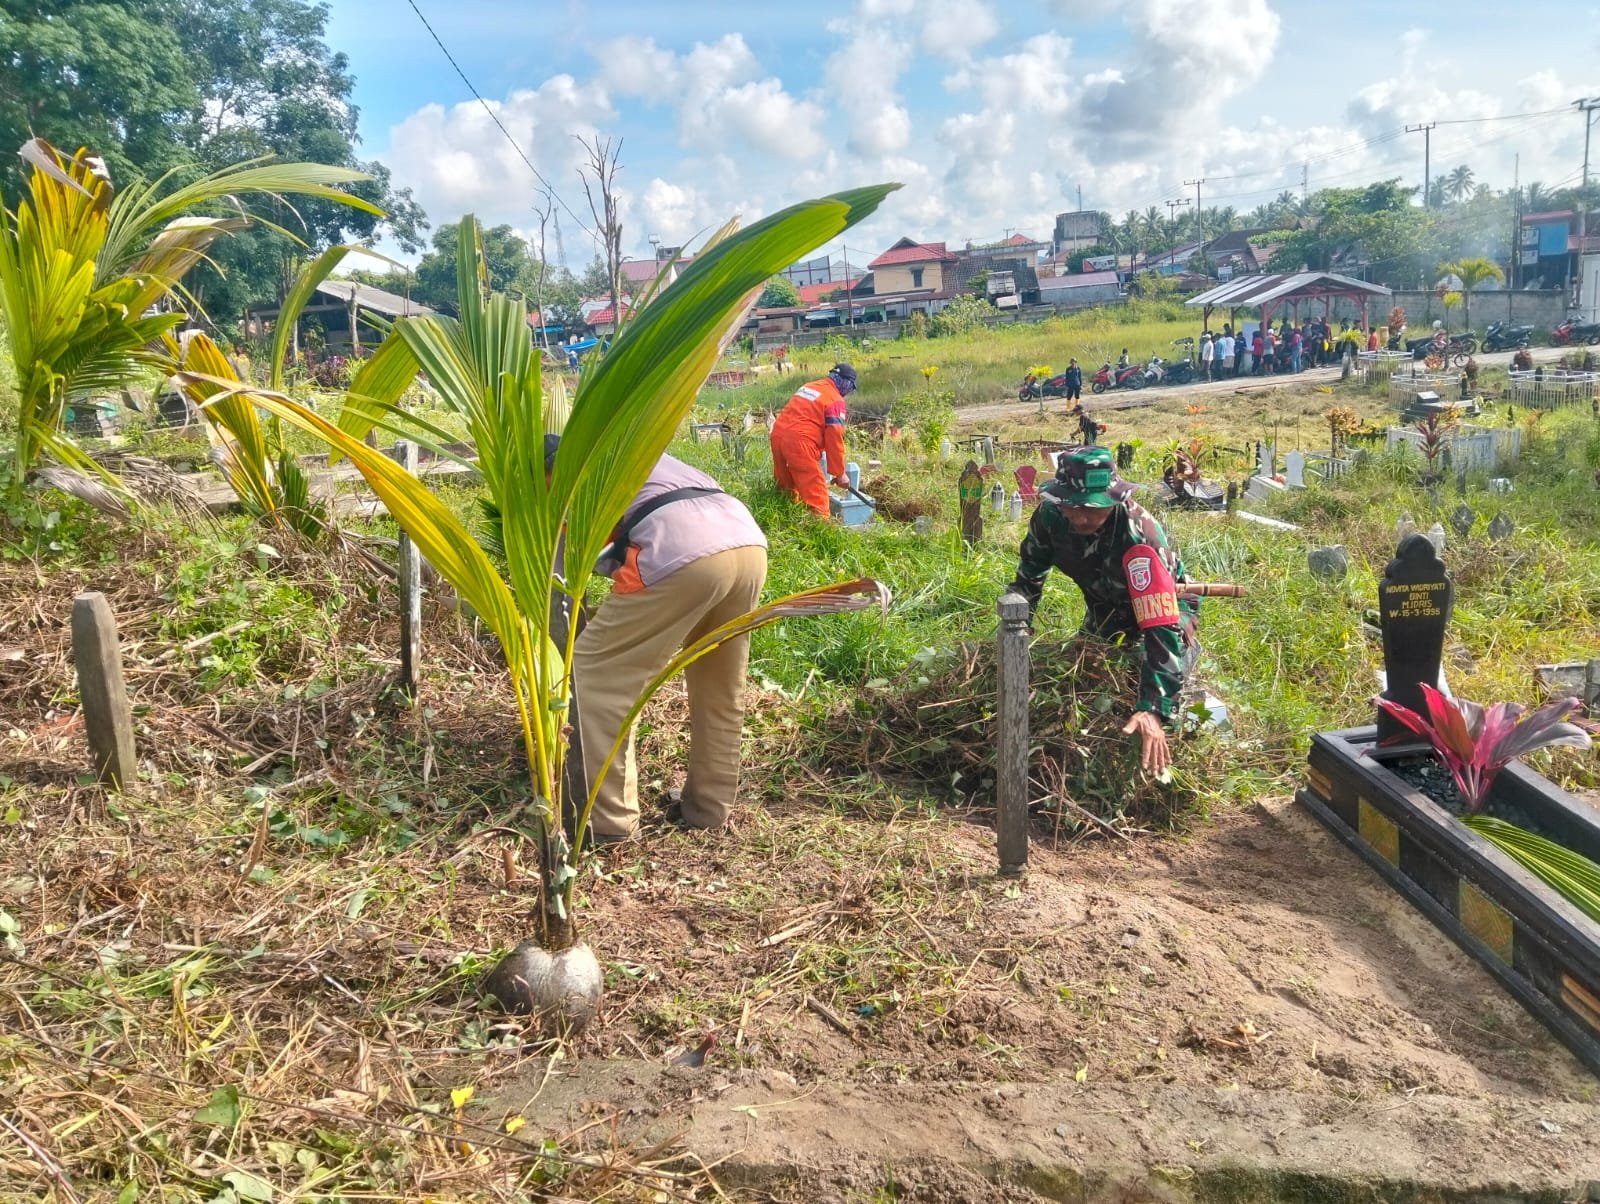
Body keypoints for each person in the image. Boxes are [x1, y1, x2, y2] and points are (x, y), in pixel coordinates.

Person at [571, 443, 770, 843]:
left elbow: (558, 579)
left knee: (596, 674)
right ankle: (709, 808)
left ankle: (608, 824)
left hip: (679, 548)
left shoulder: (561, 482)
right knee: (720, 682)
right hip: (746, 541)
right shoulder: (622, 453)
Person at [1007, 446, 1198, 774]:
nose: (1081, 517)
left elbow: (1160, 625)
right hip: (1105, 606)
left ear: (1113, 499)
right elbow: (1029, 578)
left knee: (1150, 690)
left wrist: (1153, 708)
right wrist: (1015, 637)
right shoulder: (1051, 518)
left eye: (1092, 508)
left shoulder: (1140, 539)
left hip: (1165, 612)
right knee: (1087, 682)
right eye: (1073, 505)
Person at [771, 363, 856, 516]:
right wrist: (839, 474)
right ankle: (820, 531)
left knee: (786, 485)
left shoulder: (810, 386)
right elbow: (834, 437)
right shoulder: (835, 400)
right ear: (846, 383)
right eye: (850, 388)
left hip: (778, 434)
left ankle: (785, 517)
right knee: (816, 494)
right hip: (799, 442)